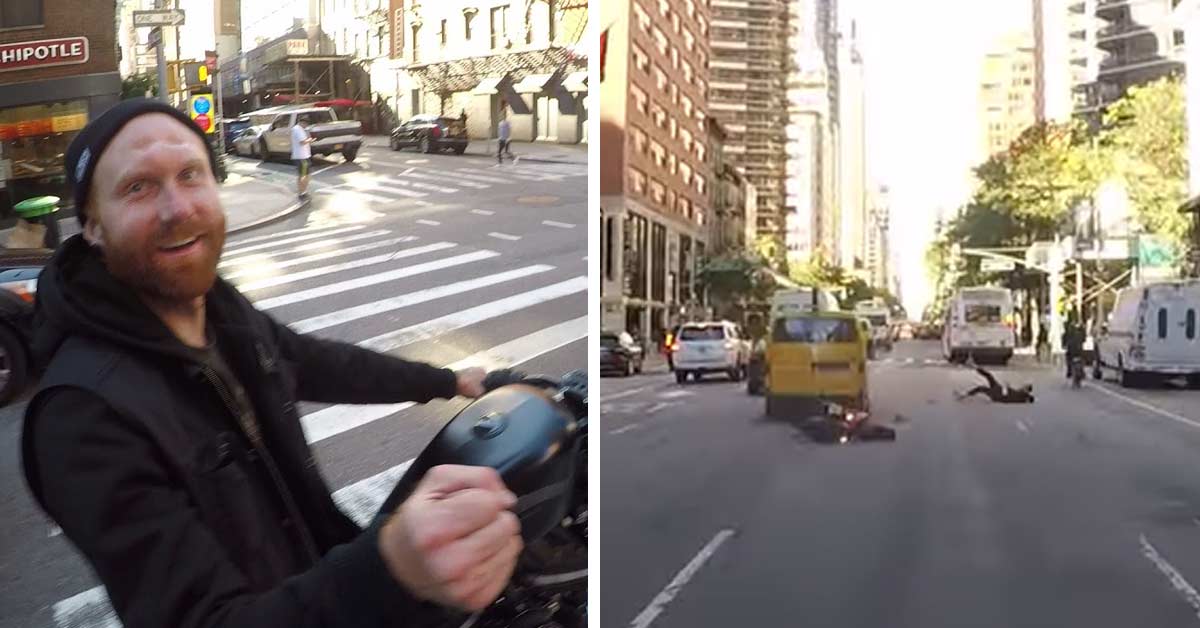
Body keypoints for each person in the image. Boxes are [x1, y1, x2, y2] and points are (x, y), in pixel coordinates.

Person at [21, 99, 521, 628]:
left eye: (190, 174)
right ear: (93, 227)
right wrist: (387, 569)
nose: (177, 208)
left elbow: (314, 361)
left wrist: (447, 379)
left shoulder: (218, 307)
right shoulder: (80, 417)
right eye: (137, 187)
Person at [956, 364, 1035, 403]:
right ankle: (974, 366)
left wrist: (1006, 388)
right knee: (989, 376)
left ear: (1027, 391)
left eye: (1026, 387)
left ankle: (963, 395)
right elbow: (1010, 394)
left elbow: (1007, 397)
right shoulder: (1021, 394)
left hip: (997, 394)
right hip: (998, 389)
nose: (1023, 386)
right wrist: (1007, 387)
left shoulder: (1022, 396)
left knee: (981, 388)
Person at [291, 115, 314, 199]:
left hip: (303, 155)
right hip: (302, 156)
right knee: (304, 175)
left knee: (304, 175)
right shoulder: (298, 130)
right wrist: (310, 140)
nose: (306, 126)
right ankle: (302, 192)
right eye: (306, 124)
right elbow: (302, 142)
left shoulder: (297, 129)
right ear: (303, 123)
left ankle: (302, 191)